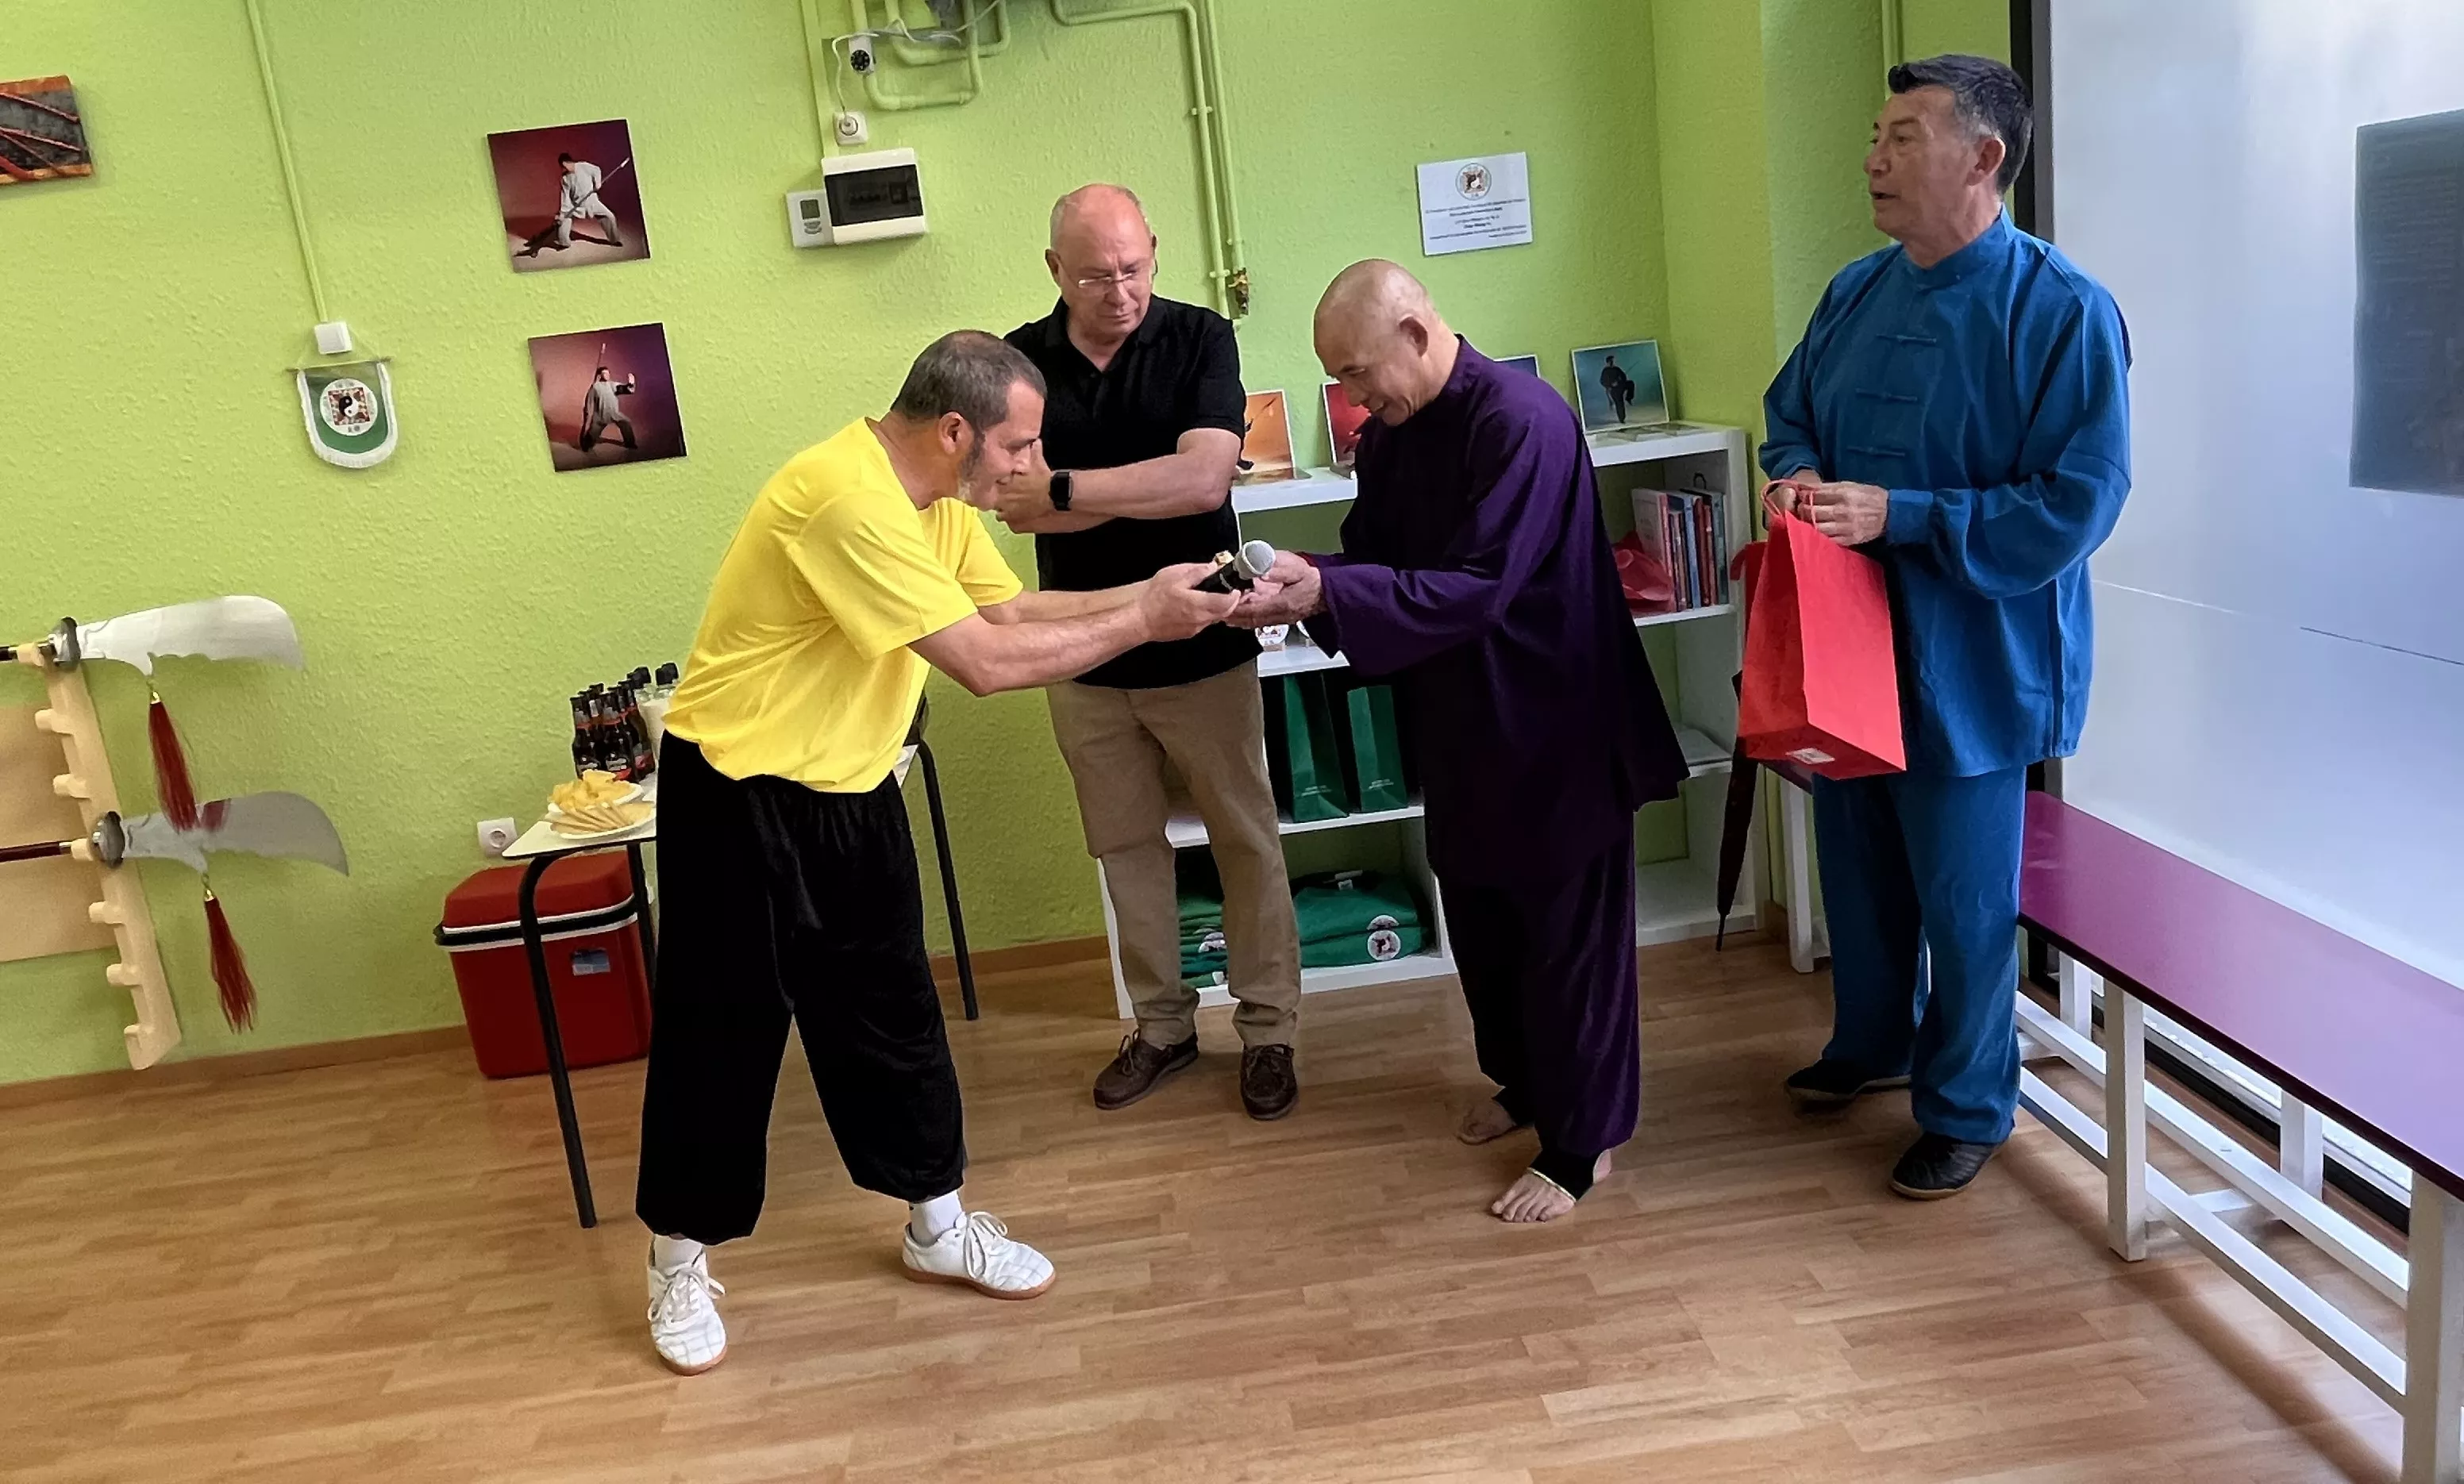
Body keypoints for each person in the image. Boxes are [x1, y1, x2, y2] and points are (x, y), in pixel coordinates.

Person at [634, 331, 1240, 1374]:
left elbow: (1003, 608)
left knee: (893, 1013)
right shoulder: (842, 498)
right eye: (1019, 444)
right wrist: (1146, 617)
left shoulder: (938, 500)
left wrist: (1158, 590)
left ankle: (935, 1227)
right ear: (957, 429)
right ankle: (677, 1258)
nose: (1027, 467)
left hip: (854, 781)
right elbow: (988, 664)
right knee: (722, 1028)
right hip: (737, 787)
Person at [1233, 261, 1688, 1223]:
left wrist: (1332, 592)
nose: (1350, 399)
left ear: (1413, 331)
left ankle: (1581, 1142)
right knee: (1483, 923)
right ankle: (1527, 1087)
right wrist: (1301, 583)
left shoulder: (1519, 420)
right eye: (1339, 382)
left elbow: (1481, 583)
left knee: (1570, 942)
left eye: (1357, 374)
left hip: (1556, 716)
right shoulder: (1396, 439)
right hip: (1466, 720)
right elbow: (1386, 562)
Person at [1761, 54, 2130, 1199]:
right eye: (1876, 134)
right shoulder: (1853, 293)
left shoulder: (2061, 311)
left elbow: (2080, 502)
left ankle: (1969, 1105)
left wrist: (1903, 514)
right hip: (1847, 649)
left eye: (1905, 136)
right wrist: (1798, 478)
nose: (1874, 158)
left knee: (1967, 903)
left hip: (1980, 661)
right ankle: (1874, 1040)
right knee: (1859, 871)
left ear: (1985, 158)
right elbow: (1788, 417)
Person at [993, 184, 1304, 1121]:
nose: (1119, 290)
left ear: (1154, 254)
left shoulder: (1201, 337)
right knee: (1124, 847)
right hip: (1080, 649)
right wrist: (1120, 489)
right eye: (1094, 275)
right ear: (1055, 272)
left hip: (1204, 639)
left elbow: (1204, 477)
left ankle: (1269, 1031)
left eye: (1133, 268)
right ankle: (1162, 1027)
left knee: (1244, 838)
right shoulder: (1020, 360)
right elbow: (1010, 500)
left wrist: (1067, 487)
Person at [554, 152, 623, 249]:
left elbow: (596, 170)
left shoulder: (583, 166)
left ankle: (614, 240)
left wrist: (597, 183)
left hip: (592, 202)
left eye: (566, 164)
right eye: (564, 166)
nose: (566, 168)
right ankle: (563, 243)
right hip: (577, 205)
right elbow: (565, 197)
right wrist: (563, 213)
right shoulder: (565, 178)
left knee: (610, 216)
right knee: (564, 219)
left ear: (568, 162)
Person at [578, 364, 636, 452]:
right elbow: (589, 403)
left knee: (626, 423)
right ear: (600, 375)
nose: (607, 375)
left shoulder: (612, 385)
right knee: (593, 432)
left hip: (614, 413)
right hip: (601, 416)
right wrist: (588, 415)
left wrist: (630, 385)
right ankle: (586, 445)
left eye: (608, 373)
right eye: (605, 374)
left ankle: (630, 443)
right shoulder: (595, 387)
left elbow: (622, 388)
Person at [1599, 355, 1636, 424]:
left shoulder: (1617, 369)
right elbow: (1602, 381)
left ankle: (1629, 398)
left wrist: (1619, 380)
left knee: (1631, 383)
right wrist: (1610, 385)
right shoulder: (1605, 371)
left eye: (1613, 361)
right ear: (1607, 362)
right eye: (1611, 361)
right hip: (1613, 390)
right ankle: (1622, 419)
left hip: (1620, 386)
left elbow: (1624, 377)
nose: (1612, 362)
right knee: (1619, 403)